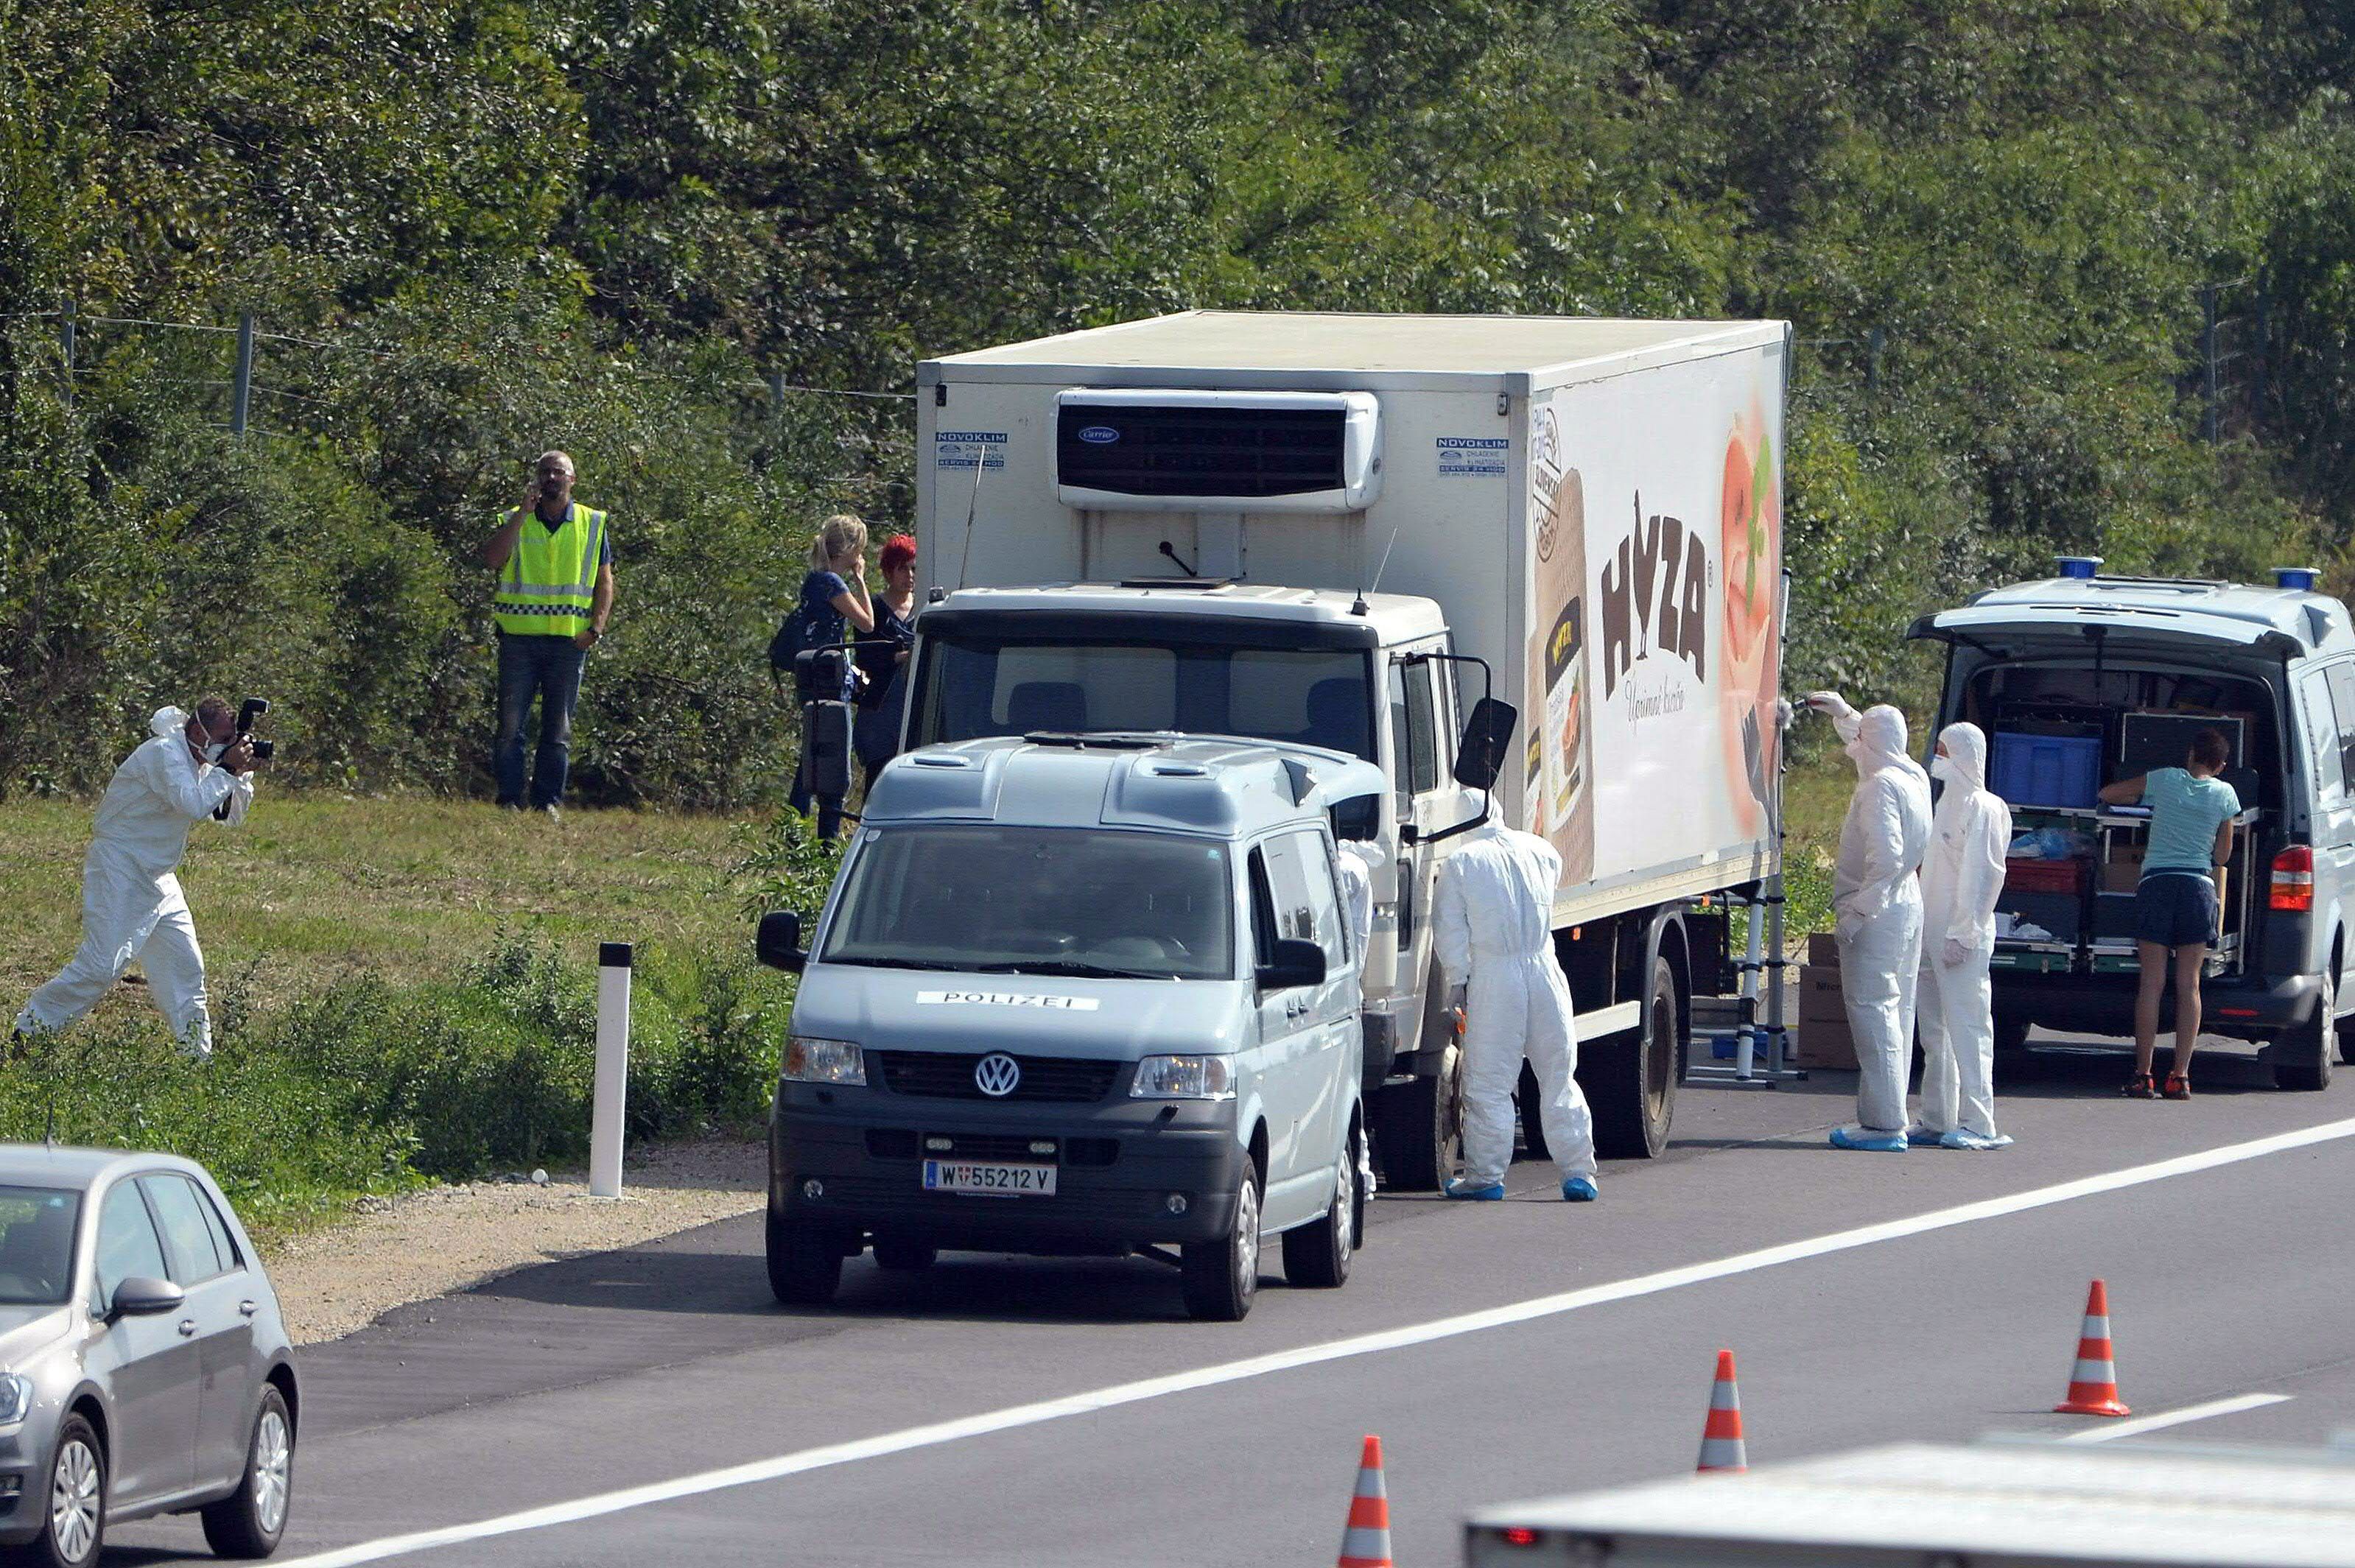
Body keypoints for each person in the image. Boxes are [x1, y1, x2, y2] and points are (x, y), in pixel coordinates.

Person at [12, 701, 259, 1062]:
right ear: (197, 732)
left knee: (186, 970)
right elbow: (192, 804)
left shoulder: (205, 763)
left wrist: (241, 774)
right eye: (223, 738)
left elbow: (229, 817)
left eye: (232, 739)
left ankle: (198, 1062)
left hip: (161, 878)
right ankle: (29, 1035)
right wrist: (229, 768)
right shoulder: (163, 753)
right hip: (120, 868)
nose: (228, 745)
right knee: (101, 966)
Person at [1431, 818, 1599, 1202]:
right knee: (1558, 1075)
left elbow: (1450, 927)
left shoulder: (1462, 861)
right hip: (1545, 970)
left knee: (1489, 1082)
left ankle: (1486, 1177)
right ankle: (1579, 1173)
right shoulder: (1541, 850)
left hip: (1496, 976)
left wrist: (1458, 981)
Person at [1807, 692, 1933, 1151]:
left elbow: (1887, 857)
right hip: (1906, 906)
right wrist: (1845, 716)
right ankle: (1890, 1115)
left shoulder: (1880, 786)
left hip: (1878, 910)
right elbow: (1874, 743)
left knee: (1872, 1010)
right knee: (1896, 1010)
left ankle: (1883, 1125)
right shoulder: (1912, 774)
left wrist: (1857, 913)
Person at [2098, 728, 2241, 1099]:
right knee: (2189, 984)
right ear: (2221, 765)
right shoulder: (2226, 795)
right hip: (2198, 889)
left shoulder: (2165, 779)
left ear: (2190, 754)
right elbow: (2222, 857)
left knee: (2152, 984)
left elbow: (2108, 794)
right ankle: (2180, 1076)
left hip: (2157, 885)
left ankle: (2143, 1074)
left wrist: (2148, 798)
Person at [480, 450, 614, 818]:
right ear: (537, 479)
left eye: (559, 473)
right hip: (519, 639)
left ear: (573, 480)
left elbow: (605, 583)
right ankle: (509, 800)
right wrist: (522, 514)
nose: (551, 479)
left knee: (558, 731)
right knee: (510, 727)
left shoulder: (592, 523)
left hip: (569, 644)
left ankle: (547, 803)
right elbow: (492, 560)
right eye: (545, 473)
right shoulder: (515, 519)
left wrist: (596, 629)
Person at [1911, 722, 2014, 1150]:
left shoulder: (1984, 807)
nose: (1938, 758)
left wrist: (1964, 932)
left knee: (1970, 1029)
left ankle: (1981, 1122)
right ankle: (1937, 1117)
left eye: (1944, 750)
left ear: (1965, 755)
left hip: (1960, 939)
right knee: (1934, 1033)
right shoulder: (1946, 804)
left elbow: (1983, 876)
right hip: (1931, 933)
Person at [788, 515, 874, 839]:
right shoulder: (832, 583)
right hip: (830, 679)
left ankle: (794, 825)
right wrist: (862, 580)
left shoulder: (813, 580)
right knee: (834, 759)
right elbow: (867, 623)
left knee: (813, 753)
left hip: (810, 674)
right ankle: (826, 833)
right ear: (850, 550)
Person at [853, 533, 920, 795]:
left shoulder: (926, 606)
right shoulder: (876, 609)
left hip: (914, 703)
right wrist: (900, 657)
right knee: (878, 776)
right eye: (902, 568)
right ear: (888, 572)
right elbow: (865, 657)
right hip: (881, 706)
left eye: (913, 568)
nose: (909, 575)